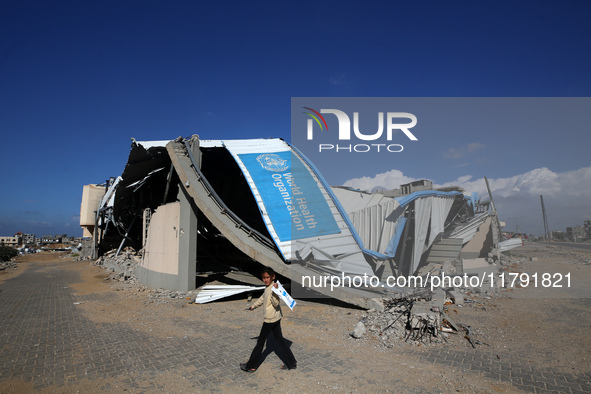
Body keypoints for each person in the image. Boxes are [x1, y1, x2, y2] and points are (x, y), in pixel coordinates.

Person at [240, 267, 297, 372]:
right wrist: (253, 306)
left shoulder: (274, 288)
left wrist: (275, 293)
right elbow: (263, 298)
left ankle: (251, 365)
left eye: (268, 277)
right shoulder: (268, 287)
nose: (266, 279)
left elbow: (275, 303)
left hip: (270, 320)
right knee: (280, 340)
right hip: (276, 318)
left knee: (260, 343)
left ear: (273, 277)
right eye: (264, 278)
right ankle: (292, 362)